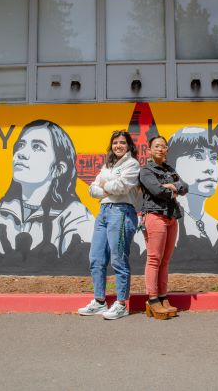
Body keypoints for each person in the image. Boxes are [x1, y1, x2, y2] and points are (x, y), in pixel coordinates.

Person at [0, 120, 94, 263]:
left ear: (58, 169)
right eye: (21, 145)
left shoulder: (76, 217)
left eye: (37, 147)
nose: (21, 154)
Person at [78, 130, 140, 320]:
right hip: (104, 212)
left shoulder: (132, 164)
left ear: (129, 145)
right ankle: (99, 301)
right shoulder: (107, 165)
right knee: (96, 258)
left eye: (122, 142)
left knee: (118, 259)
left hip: (121, 212)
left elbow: (121, 188)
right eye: (115, 143)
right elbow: (91, 189)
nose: (118, 146)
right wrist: (106, 186)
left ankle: (121, 303)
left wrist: (103, 186)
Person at [167, 127, 218, 265]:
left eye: (214, 157)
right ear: (173, 165)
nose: (210, 167)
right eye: (198, 155)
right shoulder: (161, 220)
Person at [139, 135, 188, 319]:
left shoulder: (170, 169)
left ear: (167, 150)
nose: (160, 149)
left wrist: (171, 185)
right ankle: (152, 300)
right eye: (156, 146)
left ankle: (162, 296)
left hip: (171, 217)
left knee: (165, 260)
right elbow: (157, 191)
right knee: (154, 259)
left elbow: (185, 187)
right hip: (154, 216)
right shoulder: (145, 171)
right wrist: (172, 188)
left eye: (163, 146)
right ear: (150, 150)